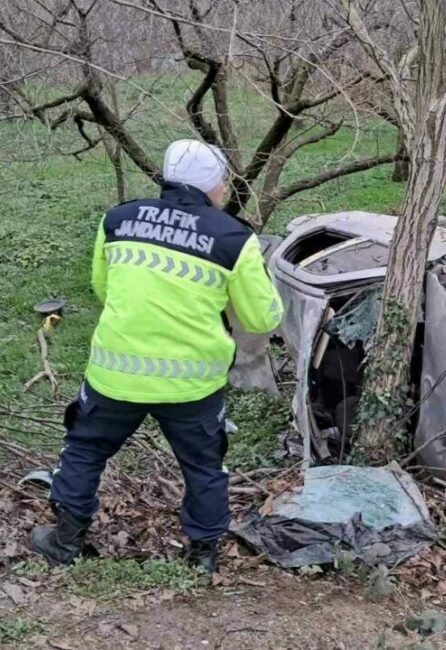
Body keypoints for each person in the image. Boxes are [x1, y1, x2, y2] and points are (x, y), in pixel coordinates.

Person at [31, 140, 283, 573]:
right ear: (213, 185)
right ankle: (203, 556)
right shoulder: (234, 238)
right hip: (192, 385)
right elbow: (262, 318)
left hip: (114, 374)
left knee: (85, 450)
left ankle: (65, 541)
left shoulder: (118, 219)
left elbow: (103, 287)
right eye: (223, 181)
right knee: (204, 465)